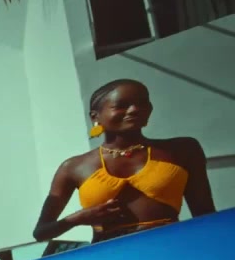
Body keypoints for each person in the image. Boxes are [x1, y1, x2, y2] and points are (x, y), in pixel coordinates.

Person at [33, 78, 215, 244]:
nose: (134, 109)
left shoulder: (182, 150)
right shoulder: (74, 167)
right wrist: (78, 218)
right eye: (121, 105)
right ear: (95, 116)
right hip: (110, 256)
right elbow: (41, 232)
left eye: (142, 103)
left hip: (170, 246)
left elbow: (205, 213)